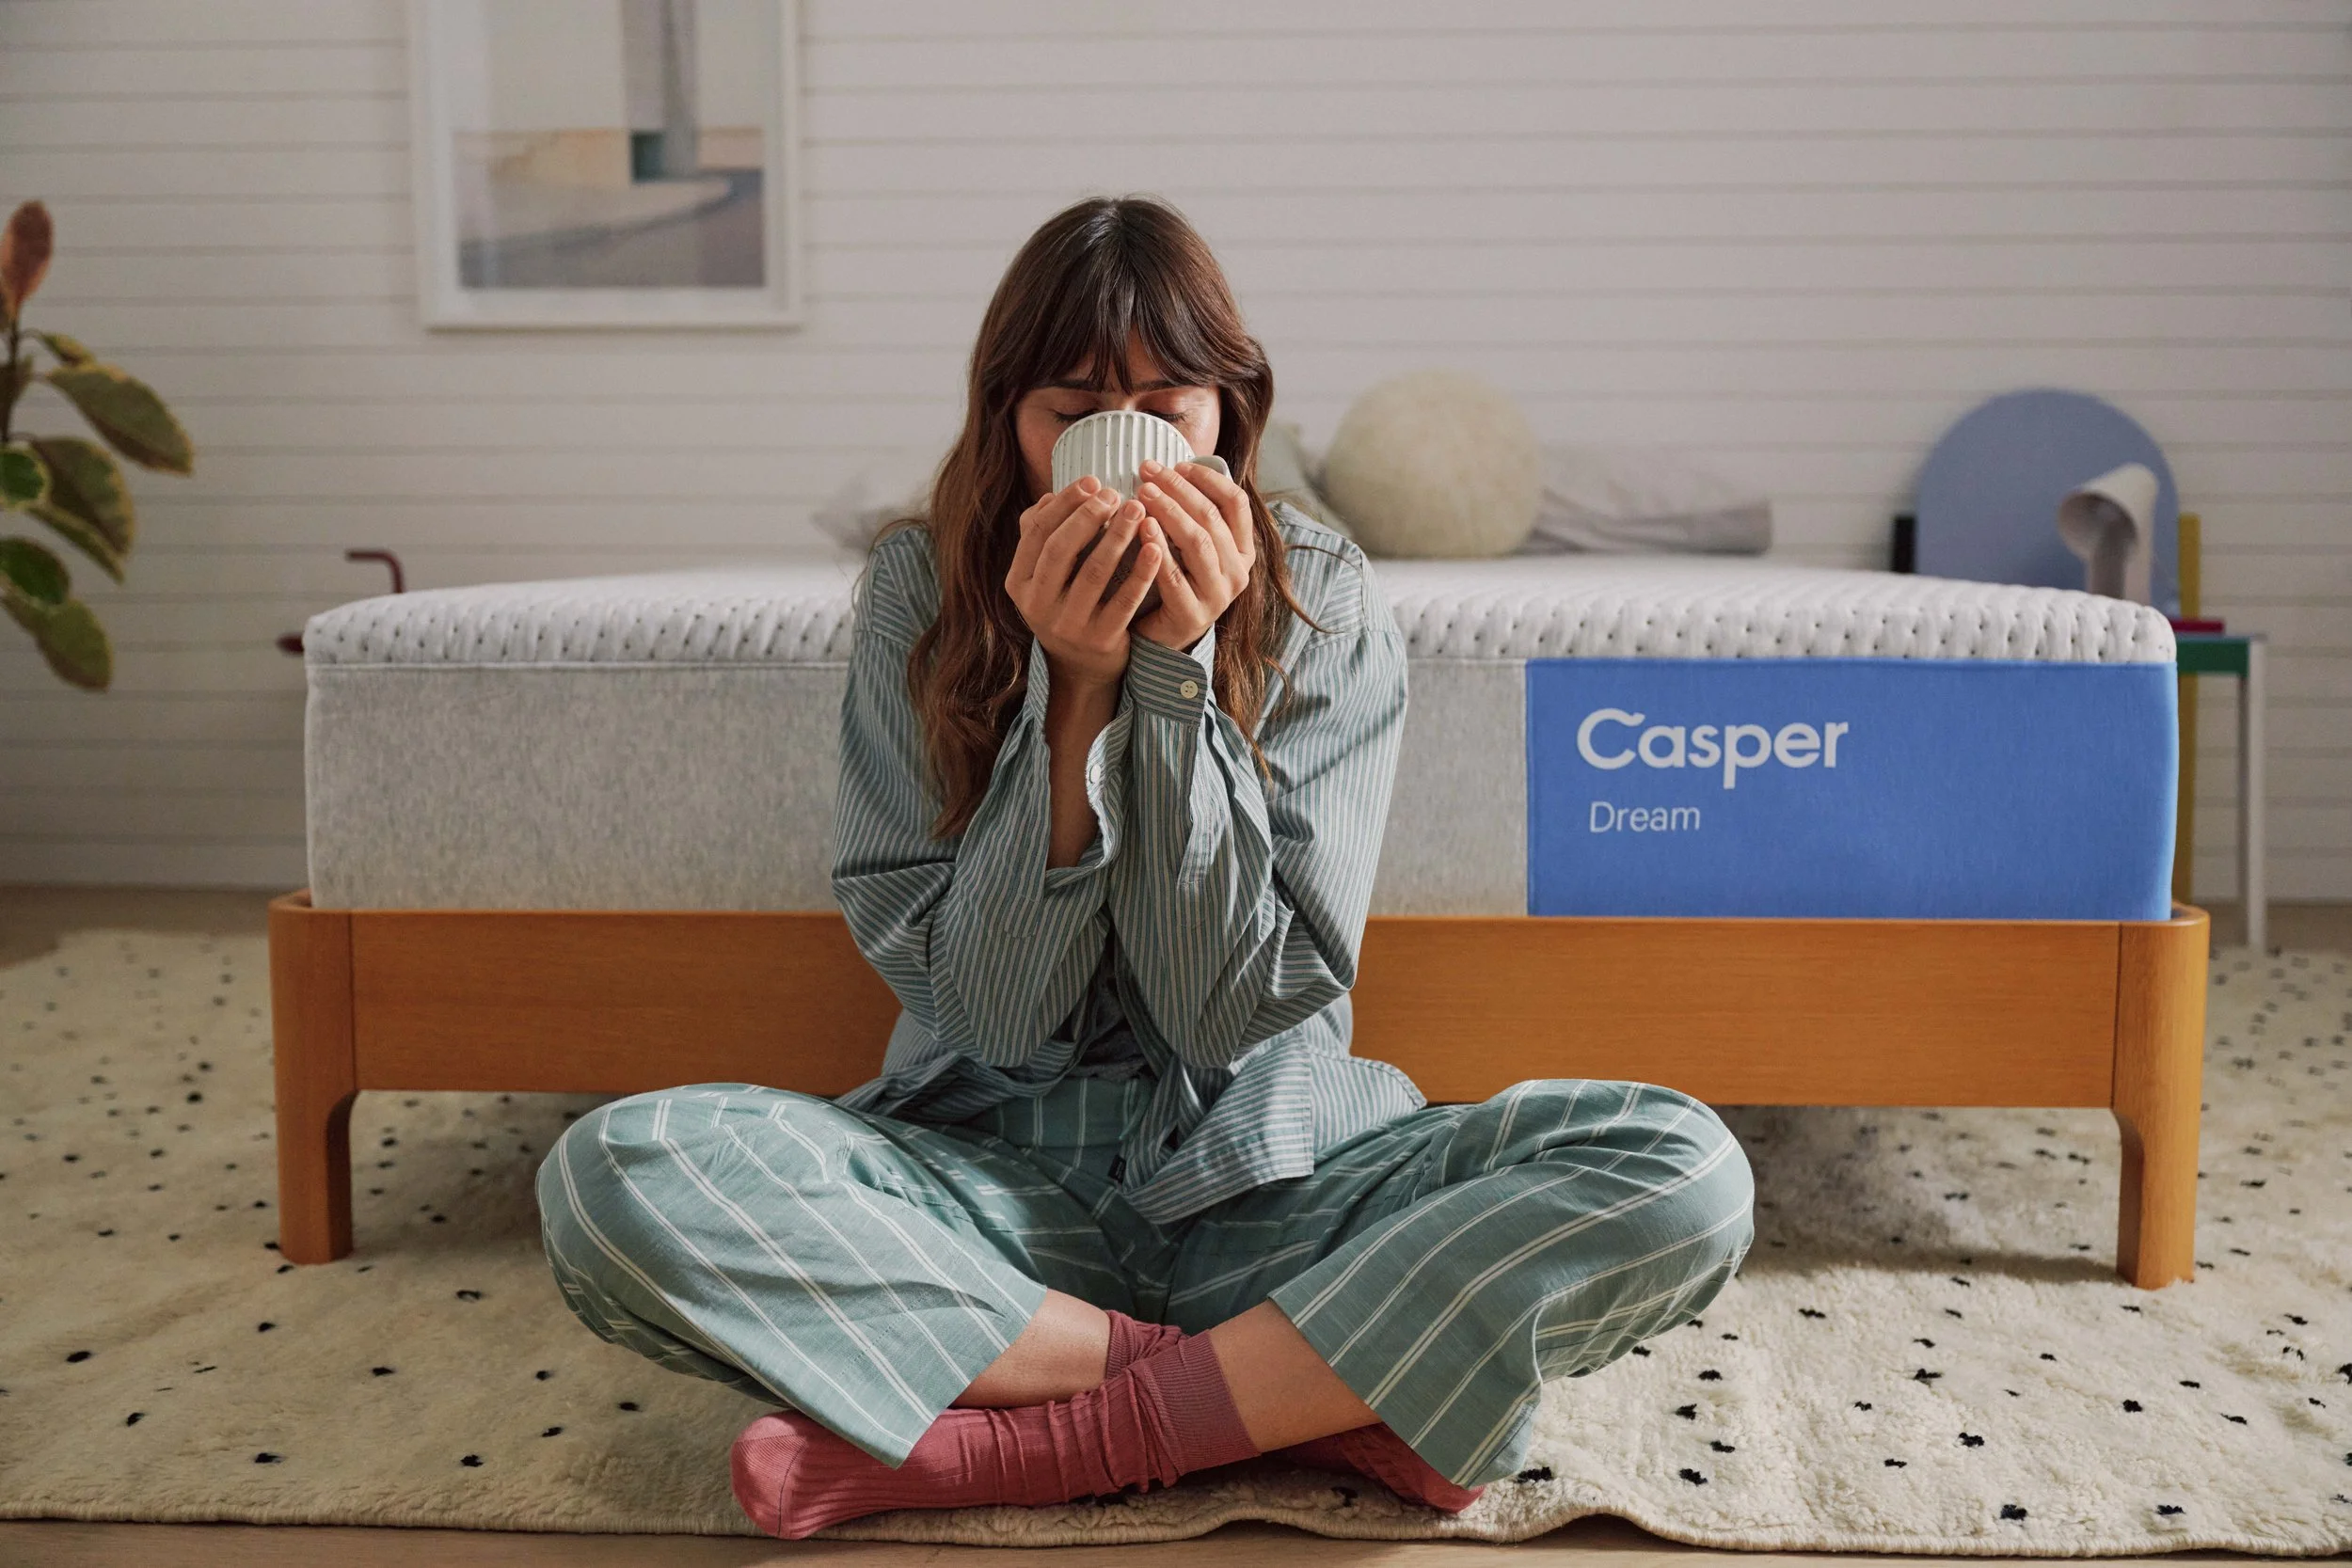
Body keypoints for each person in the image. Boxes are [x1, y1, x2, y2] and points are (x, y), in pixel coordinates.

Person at [535, 196, 1755, 1540]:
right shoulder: (919, 593)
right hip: (993, 1204)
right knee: (617, 1171)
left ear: (1231, 413)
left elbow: (1227, 1013)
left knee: (1685, 1169)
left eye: (1169, 409)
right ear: (1011, 417)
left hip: (1282, 1191)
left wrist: (1172, 681)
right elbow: (991, 1016)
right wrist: (1072, 692)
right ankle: (1293, 1394)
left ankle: (1016, 1439)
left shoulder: (1323, 596)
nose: (1123, 449)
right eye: (1072, 410)